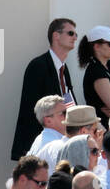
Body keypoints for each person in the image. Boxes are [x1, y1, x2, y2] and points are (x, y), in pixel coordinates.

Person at [12, 18, 78, 159]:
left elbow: (68, 101)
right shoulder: (38, 66)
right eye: (71, 33)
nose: (75, 38)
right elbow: (30, 109)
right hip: (40, 146)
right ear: (56, 36)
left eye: (75, 34)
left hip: (60, 141)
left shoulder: (64, 70)